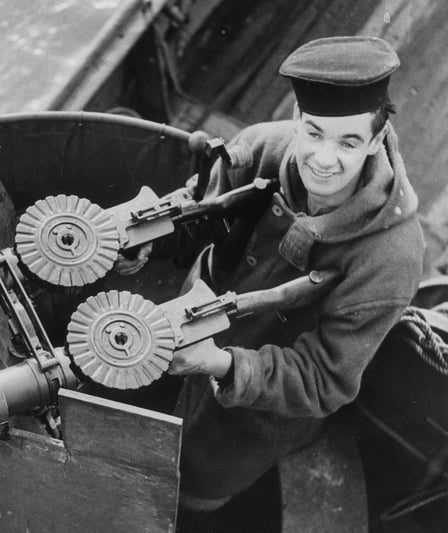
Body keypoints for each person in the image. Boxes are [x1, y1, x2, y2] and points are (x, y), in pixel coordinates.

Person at [118, 36, 425, 528]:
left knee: (180, 506)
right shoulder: (265, 145)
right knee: (114, 460)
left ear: (375, 139)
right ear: (299, 120)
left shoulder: (391, 259)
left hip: (235, 431)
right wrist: (149, 237)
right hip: (163, 348)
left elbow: (325, 380)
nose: (324, 159)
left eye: (347, 142)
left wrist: (220, 363)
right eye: (314, 132)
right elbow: (199, 207)